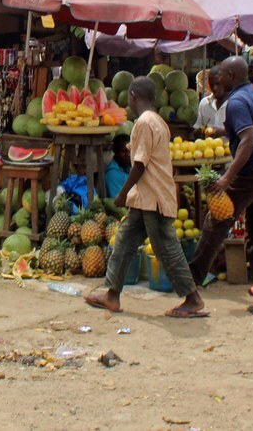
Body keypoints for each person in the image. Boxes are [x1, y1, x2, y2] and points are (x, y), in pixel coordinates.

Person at [84, 77, 208, 318]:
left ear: (132, 94)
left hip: (154, 197)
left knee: (166, 247)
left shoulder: (143, 123)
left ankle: (193, 299)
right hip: (146, 197)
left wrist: (121, 195)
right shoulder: (158, 121)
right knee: (125, 240)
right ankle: (112, 294)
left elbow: (139, 164)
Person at [189, 57, 253, 301]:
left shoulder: (237, 101)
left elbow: (249, 141)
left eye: (220, 75)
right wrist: (221, 131)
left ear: (231, 76)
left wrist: (226, 178)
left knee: (215, 222)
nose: (216, 80)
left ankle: (190, 281)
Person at [194, 67, 226, 138]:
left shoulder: (234, 104)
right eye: (212, 84)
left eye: (218, 84)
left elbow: (243, 131)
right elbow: (197, 127)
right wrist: (198, 131)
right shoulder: (204, 103)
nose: (214, 88)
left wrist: (223, 132)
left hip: (228, 148)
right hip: (207, 148)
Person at [105, 134, 131, 198]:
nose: (128, 155)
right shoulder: (113, 174)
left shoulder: (130, 166)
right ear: (116, 153)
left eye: (130, 151)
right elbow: (119, 201)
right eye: (124, 152)